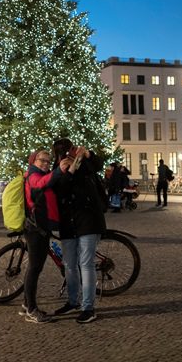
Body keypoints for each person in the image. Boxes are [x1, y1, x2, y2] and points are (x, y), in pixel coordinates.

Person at [52, 138, 106, 324]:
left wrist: (88, 154)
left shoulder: (85, 165)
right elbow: (59, 190)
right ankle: (73, 301)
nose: (70, 153)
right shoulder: (58, 169)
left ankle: (88, 307)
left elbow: (98, 165)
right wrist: (64, 171)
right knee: (69, 264)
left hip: (88, 219)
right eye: (65, 151)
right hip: (68, 222)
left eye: (72, 149)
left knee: (85, 264)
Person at [21, 149, 70, 324]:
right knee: (35, 268)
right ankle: (32, 310)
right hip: (36, 229)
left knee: (35, 268)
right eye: (42, 160)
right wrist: (57, 171)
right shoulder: (33, 175)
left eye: (48, 162)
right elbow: (40, 184)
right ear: (34, 161)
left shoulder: (42, 173)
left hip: (41, 228)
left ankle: (27, 304)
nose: (46, 164)